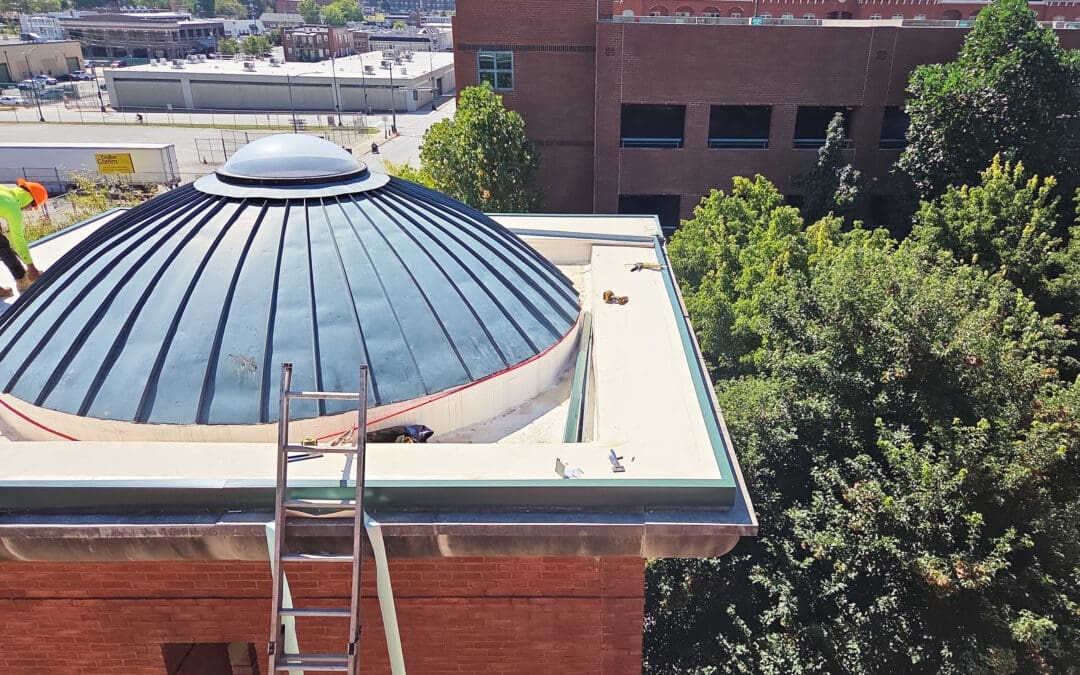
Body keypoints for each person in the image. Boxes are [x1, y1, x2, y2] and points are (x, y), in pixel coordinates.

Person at [0, 179, 47, 298]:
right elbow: (17, 240)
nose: (30, 209)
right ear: (30, 199)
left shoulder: (5, 192)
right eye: (33, 205)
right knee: (2, 246)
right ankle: (22, 280)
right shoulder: (12, 206)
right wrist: (31, 267)